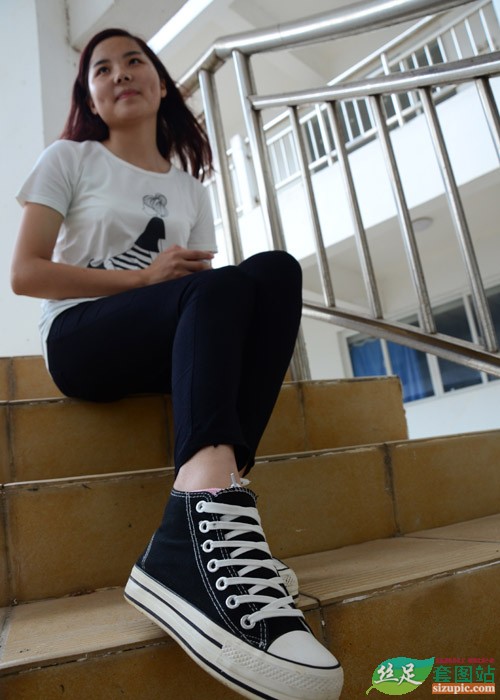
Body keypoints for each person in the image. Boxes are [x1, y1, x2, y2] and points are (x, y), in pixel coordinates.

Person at [11, 27, 343, 700]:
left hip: (162, 340)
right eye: (101, 69)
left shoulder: (190, 189)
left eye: (134, 60)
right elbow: (25, 273)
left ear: (161, 84)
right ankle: (202, 513)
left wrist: (179, 291)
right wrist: (141, 280)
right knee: (215, 289)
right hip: (80, 336)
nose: (119, 73)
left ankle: (215, 511)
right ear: (91, 99)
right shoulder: (70, 159)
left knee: (275, 272)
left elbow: (208, 291)